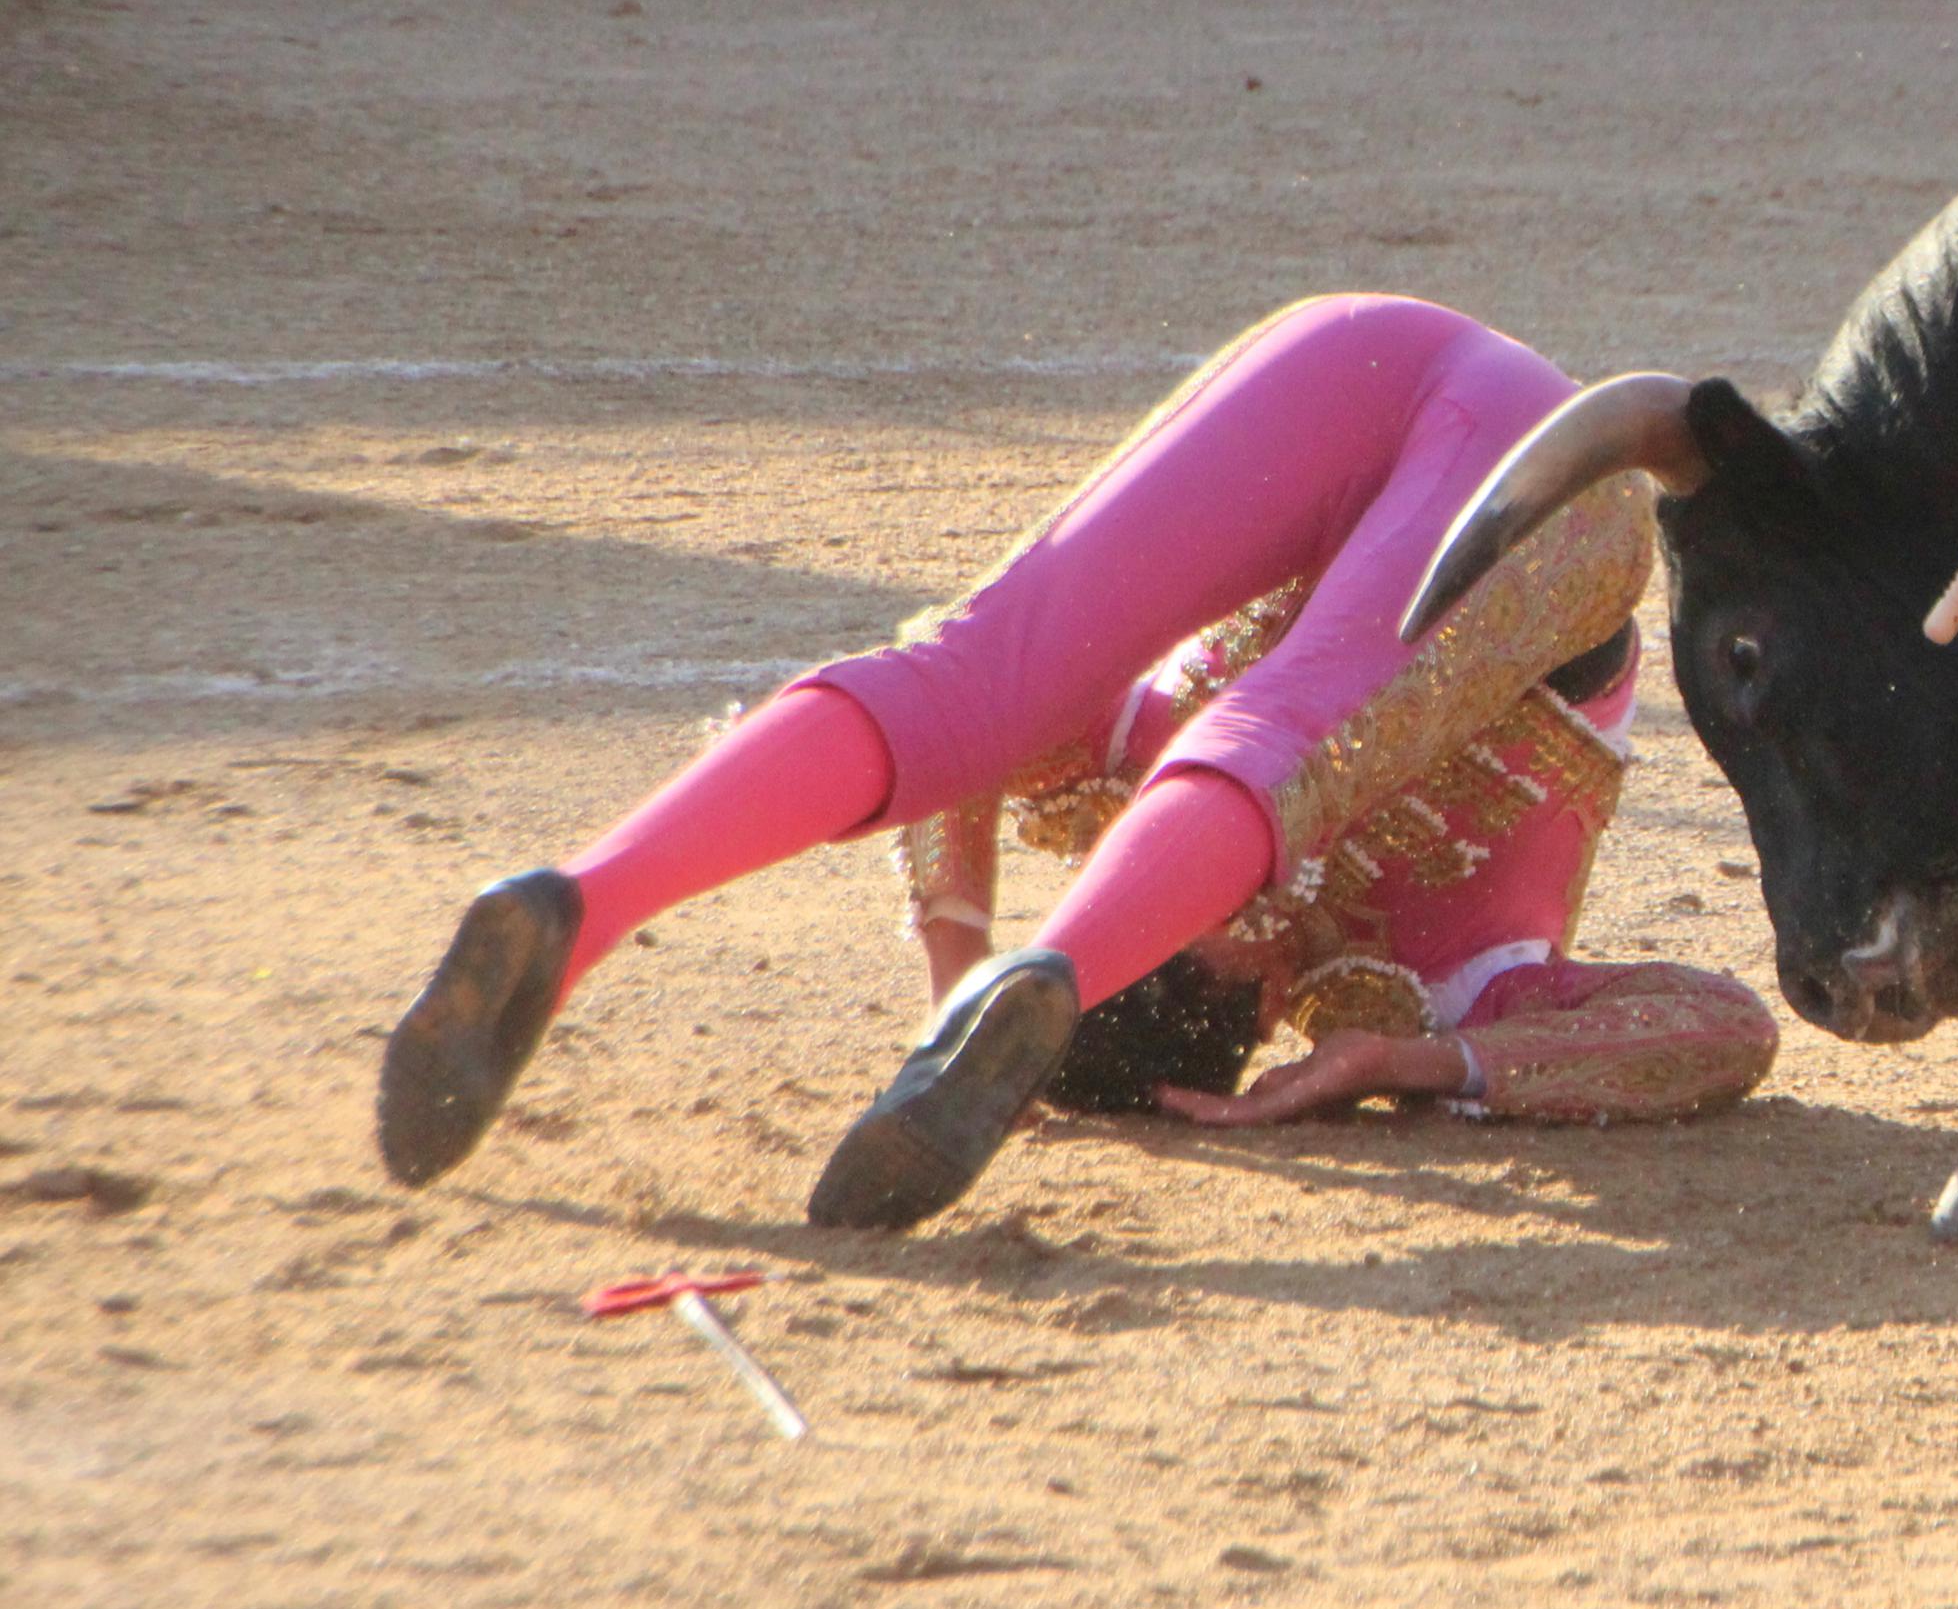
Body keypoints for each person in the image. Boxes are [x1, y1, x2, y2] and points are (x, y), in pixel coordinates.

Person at [374, 295, 1777, 1230]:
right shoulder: (1450, 984)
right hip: (1487, 439)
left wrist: (957, 965)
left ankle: (593, 898)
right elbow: (1724, 1028)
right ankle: (594, 906)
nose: (1239, 922)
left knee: (978, 678)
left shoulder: (1157, 774)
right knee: (1258, 740)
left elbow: (965, 768)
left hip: (1370, 376)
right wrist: (1399, 1056)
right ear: (1246, 1000)